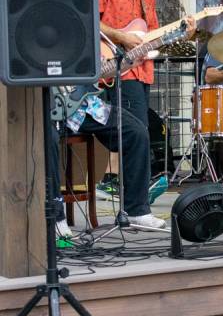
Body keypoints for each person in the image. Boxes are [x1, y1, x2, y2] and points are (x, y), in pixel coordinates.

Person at [96, 0, 196, 198]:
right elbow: (91, 21)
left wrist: (181, 34)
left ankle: (125, 187)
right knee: (134, 128)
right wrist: (121, 37)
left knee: (136, 127)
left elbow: (153, 37)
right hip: (116, 65)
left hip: (142, 69)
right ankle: (133, 192)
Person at [49, 86, 165, 237]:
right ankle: (55, 217)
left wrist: (123, 64)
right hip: (46, 107)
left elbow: (98, 74)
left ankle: (136, 211)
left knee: (136, 132)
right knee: (46, 138)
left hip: (85, 108)